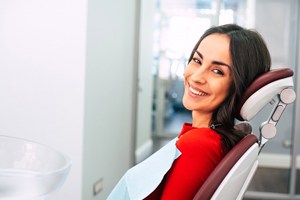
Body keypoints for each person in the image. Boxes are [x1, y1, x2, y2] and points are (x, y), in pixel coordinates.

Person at [107, 24, 271, 200]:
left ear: (240, 85)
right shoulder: (206, 138)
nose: (196, 77)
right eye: (197, 61)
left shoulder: (199, 145)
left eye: (217, 71)